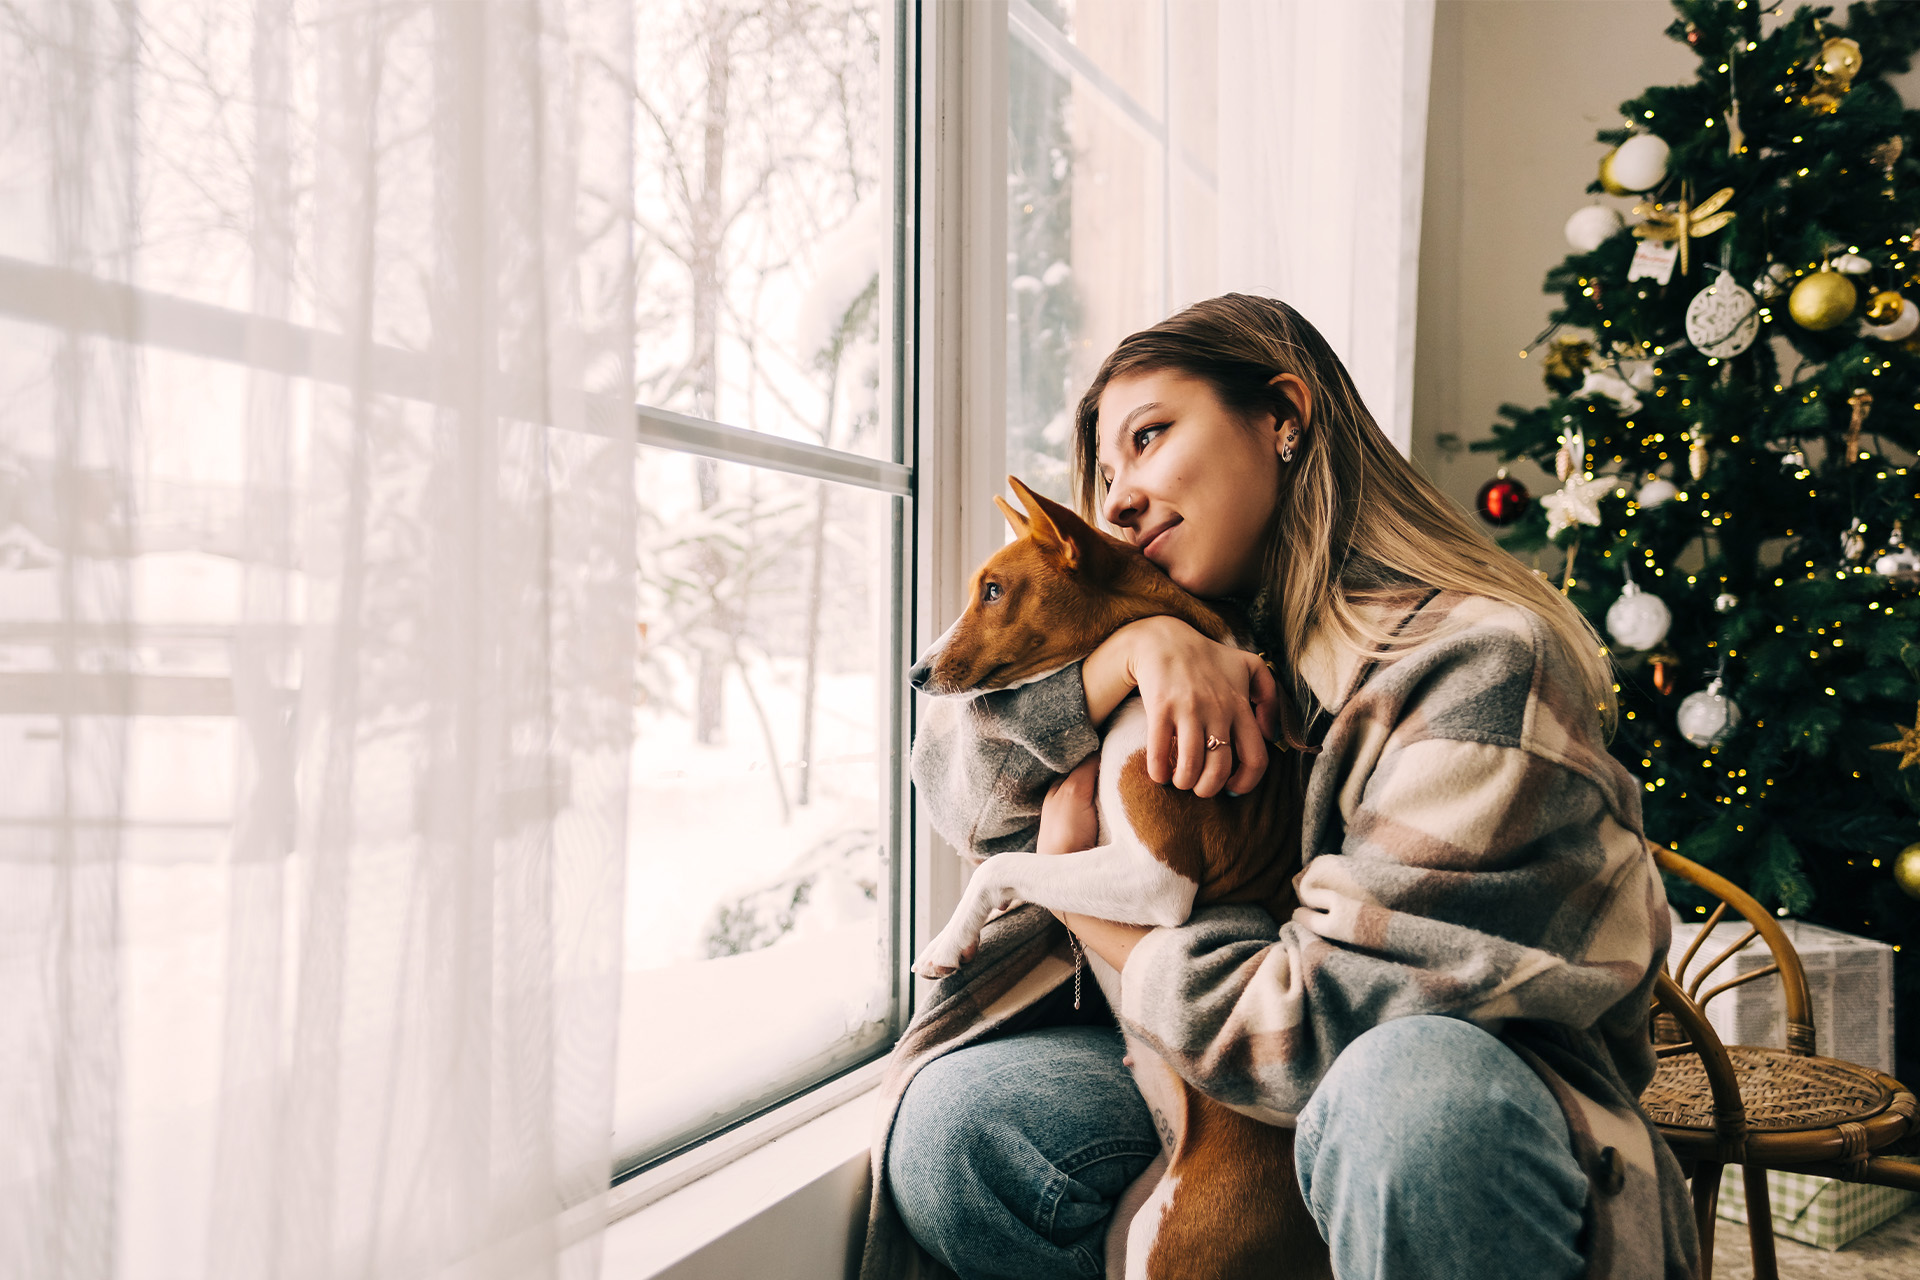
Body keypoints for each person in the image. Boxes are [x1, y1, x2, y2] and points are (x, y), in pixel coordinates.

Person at [868, 295, 1699, 1280]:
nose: (1120, 497)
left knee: (1405, 1094)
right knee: (961, 1124)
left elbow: (1317, 1036)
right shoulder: (1197, 643)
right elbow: (954, 794)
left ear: (1285, 417)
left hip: (1459, 1112)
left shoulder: (1478, 662)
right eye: (1106, 472)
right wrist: (1127, 655)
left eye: (1149, 436)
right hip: (1224, 1067)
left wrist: (1068, 887)